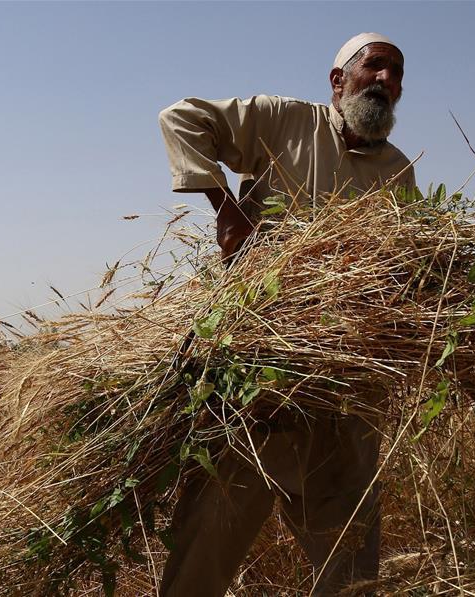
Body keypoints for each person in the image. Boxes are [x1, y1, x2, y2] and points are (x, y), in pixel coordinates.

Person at [157, 33, 416, 596]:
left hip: (343, 389)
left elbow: (403, 270)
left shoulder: (399, 173)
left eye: (397, 73)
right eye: (375, 67)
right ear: (337, 80)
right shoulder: (282, 122)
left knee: (350, 556)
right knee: (207, 541)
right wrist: (226, 209)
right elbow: (180, 118)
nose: (387, 81)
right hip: (254, 375)